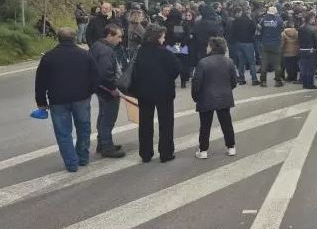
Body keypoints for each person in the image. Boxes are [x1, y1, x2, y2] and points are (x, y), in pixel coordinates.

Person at [35, 28, 100, 172]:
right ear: (75, 38)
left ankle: (71, 163)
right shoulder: (85, 55)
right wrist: (89, 92)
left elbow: (40, 82)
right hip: (81, 98)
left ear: (58, 38)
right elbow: (96, 77)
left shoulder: (49, 57)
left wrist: (41, 102)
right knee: (83, 128)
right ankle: (83, 157)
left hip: (58, 100)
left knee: (63, 133)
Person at [129, 24, 181, 163]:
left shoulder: (140, 51)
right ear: (157, 37)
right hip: (164, 92)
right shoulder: (165, 53)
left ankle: (145, 153)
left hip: (144, 92)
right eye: (163, 37)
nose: (164, 40)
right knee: (166, 123)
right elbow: (176, 69)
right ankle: (166, 152)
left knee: (145, 123)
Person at [192, 37, 237, 159]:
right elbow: (234, 81)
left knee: (205, 125)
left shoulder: (203, 62)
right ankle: (231, 147)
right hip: (224, 96)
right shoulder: (229, 62)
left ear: (212, 47)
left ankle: (203, 150)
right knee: (226, 123)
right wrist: (226, 89)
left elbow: (196, 82)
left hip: (206, 97)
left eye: (208, 45)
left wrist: (196, 97)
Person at [89, 24, 126, 158]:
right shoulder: (106, 51)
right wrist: (113, 88)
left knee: (103, 116)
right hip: (107, 90)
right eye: (118, 37)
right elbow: (106, 73)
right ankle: (107, 146)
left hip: (99, 88)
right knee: (108, 119)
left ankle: (102, 143)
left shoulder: (96, 45)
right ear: (109, 35)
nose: (120, 40)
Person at [230, 8, 258, 85]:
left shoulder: (235, 21)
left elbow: (232, 32)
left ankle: (242, 79)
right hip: (248, 43)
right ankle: (254, 79)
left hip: (238, 43)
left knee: (241, 62)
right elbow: (254, 28)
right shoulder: (249, 20)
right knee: (251, 61)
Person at [258, 6, 285, 87]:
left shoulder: (263, 20)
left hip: (265, 44)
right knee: (277, 65)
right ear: (275, 12)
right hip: (276, 45)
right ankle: (278, 81)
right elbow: (282, 30)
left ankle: (263, 81)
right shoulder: (279, 20)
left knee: (264, 64)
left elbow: (258, 31)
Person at [298, 13, 317, 90]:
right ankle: (310, 84)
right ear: (311, 19)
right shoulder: (314, 28)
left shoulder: (301, 28)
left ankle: (305, 83)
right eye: (314, 19)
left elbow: (299, 39)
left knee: (304, 68)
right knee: (311, 68)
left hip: (302, 49)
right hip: (311, 50)